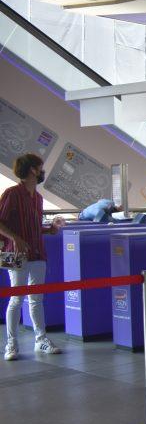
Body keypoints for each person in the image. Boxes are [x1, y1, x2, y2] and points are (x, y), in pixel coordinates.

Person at [0, 153, 65, 360]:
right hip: (16, 254)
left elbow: (35, 226)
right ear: (32, 170)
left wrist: (50, 229)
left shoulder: (37, 197)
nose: (42, 171)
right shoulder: (11, 194)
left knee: (36, 299)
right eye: (40, 167)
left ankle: (41, 339)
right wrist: (15, 238)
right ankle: (11, 344)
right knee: (17, 299)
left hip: (38, 253)